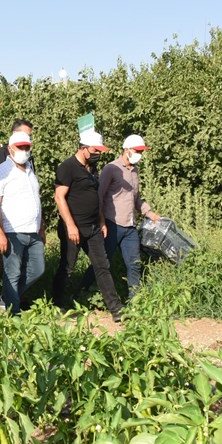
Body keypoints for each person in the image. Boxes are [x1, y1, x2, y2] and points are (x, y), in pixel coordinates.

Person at [51, 130, 124, 321]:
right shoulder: (67, 167)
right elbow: (59, 198)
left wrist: (101, 221)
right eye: (95, 150)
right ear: (83, 148)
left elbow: (95, 198)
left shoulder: (92, 168)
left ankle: (116, 309)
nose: (98, 154)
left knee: (102, 266)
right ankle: (57, 305)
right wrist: (71, 226)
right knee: (67, 267)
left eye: (100, 151)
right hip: (73, 228)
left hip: (93, 228)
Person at [78, 134, 160, 299]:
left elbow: (136, 199)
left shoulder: (135, 171)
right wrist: (101, 222)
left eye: (142, 152)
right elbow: (99, 197)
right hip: (112, 224)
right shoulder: (111, 169)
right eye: (137, 151)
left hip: (130, 226)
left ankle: (134, 300)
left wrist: (150, 214)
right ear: (127, 149)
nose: (140, 154)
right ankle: (82, 292)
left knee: (134, 264)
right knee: (102, 262)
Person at [0, 130, 44, 313]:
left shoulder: (30, 170)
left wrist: (41, 226)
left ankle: (6, 300)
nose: (25, 151)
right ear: (10, 148)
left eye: (27, 147)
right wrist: (0, 233)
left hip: (33, 231)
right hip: (12, 231)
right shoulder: (0, 173)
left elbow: (36, 199)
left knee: (37, 269)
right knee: (12, 274)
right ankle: (13, 312)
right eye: (21, 147)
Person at [0, 119, 33, 295]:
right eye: (26, 135)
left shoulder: (27, 157)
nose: (28, 141)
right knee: (8, 259)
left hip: (25, 220)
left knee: (20, 260)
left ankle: (13, 297)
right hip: (9, 220)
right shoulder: (1, 155)